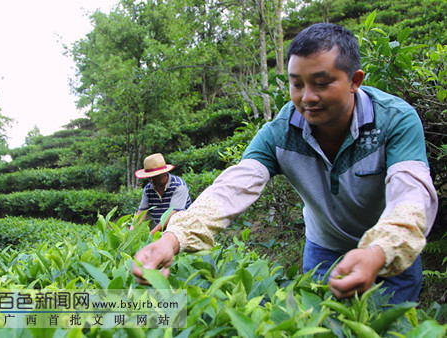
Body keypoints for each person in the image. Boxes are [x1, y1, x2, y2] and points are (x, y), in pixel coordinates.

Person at [132, 23, 438, 304]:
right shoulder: (279, 133)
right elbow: (233, 187)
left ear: (355, 81)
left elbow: (411, 195)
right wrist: (174, 239)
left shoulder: (395, 120)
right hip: (323, 252)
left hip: (386, 251)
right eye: (297, 84)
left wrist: (378, 251)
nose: (308, 98)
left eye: (321, 83)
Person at [132, 153, 192, 235]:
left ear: (164, 173)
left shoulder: (179, 186)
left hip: (183, 231)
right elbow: (141, 212)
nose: (152, 180)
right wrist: (131, 234)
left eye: (155, 177)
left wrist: (151, 234)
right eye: (150, 177)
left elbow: (172, 215)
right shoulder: (148, 189)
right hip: (161, 232)